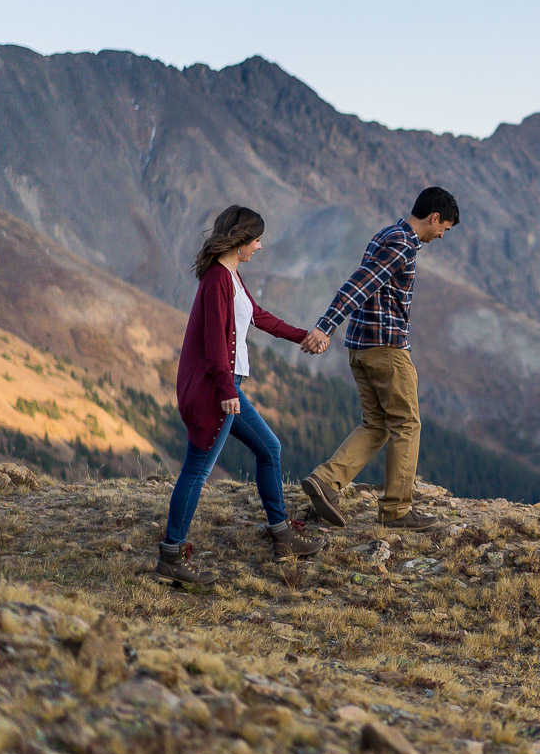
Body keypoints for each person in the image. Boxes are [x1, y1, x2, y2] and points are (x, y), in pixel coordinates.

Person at [158, 205, 327, 587]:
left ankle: (282, 534)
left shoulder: (230, 275)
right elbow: (215, 341)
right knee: (197, 470)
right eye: (257, 240)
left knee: (269, 449)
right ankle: (171, 555)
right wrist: (225, 391)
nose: (260, 247)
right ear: (240, 240)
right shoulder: (218, 278)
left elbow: (258, 315)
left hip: (226, 386)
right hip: (217, 389)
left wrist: (303, 336)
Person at [299, 187, 459, 531]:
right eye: (444, 228)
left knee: (377, 424)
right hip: (387, 349)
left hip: (360, 348)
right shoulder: (402, 244)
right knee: (406, 424)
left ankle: (326, 481)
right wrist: (325, 326)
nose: (442, 235)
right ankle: (396, 510)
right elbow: (361, 284)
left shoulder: (386, 234)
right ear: (434, 218)